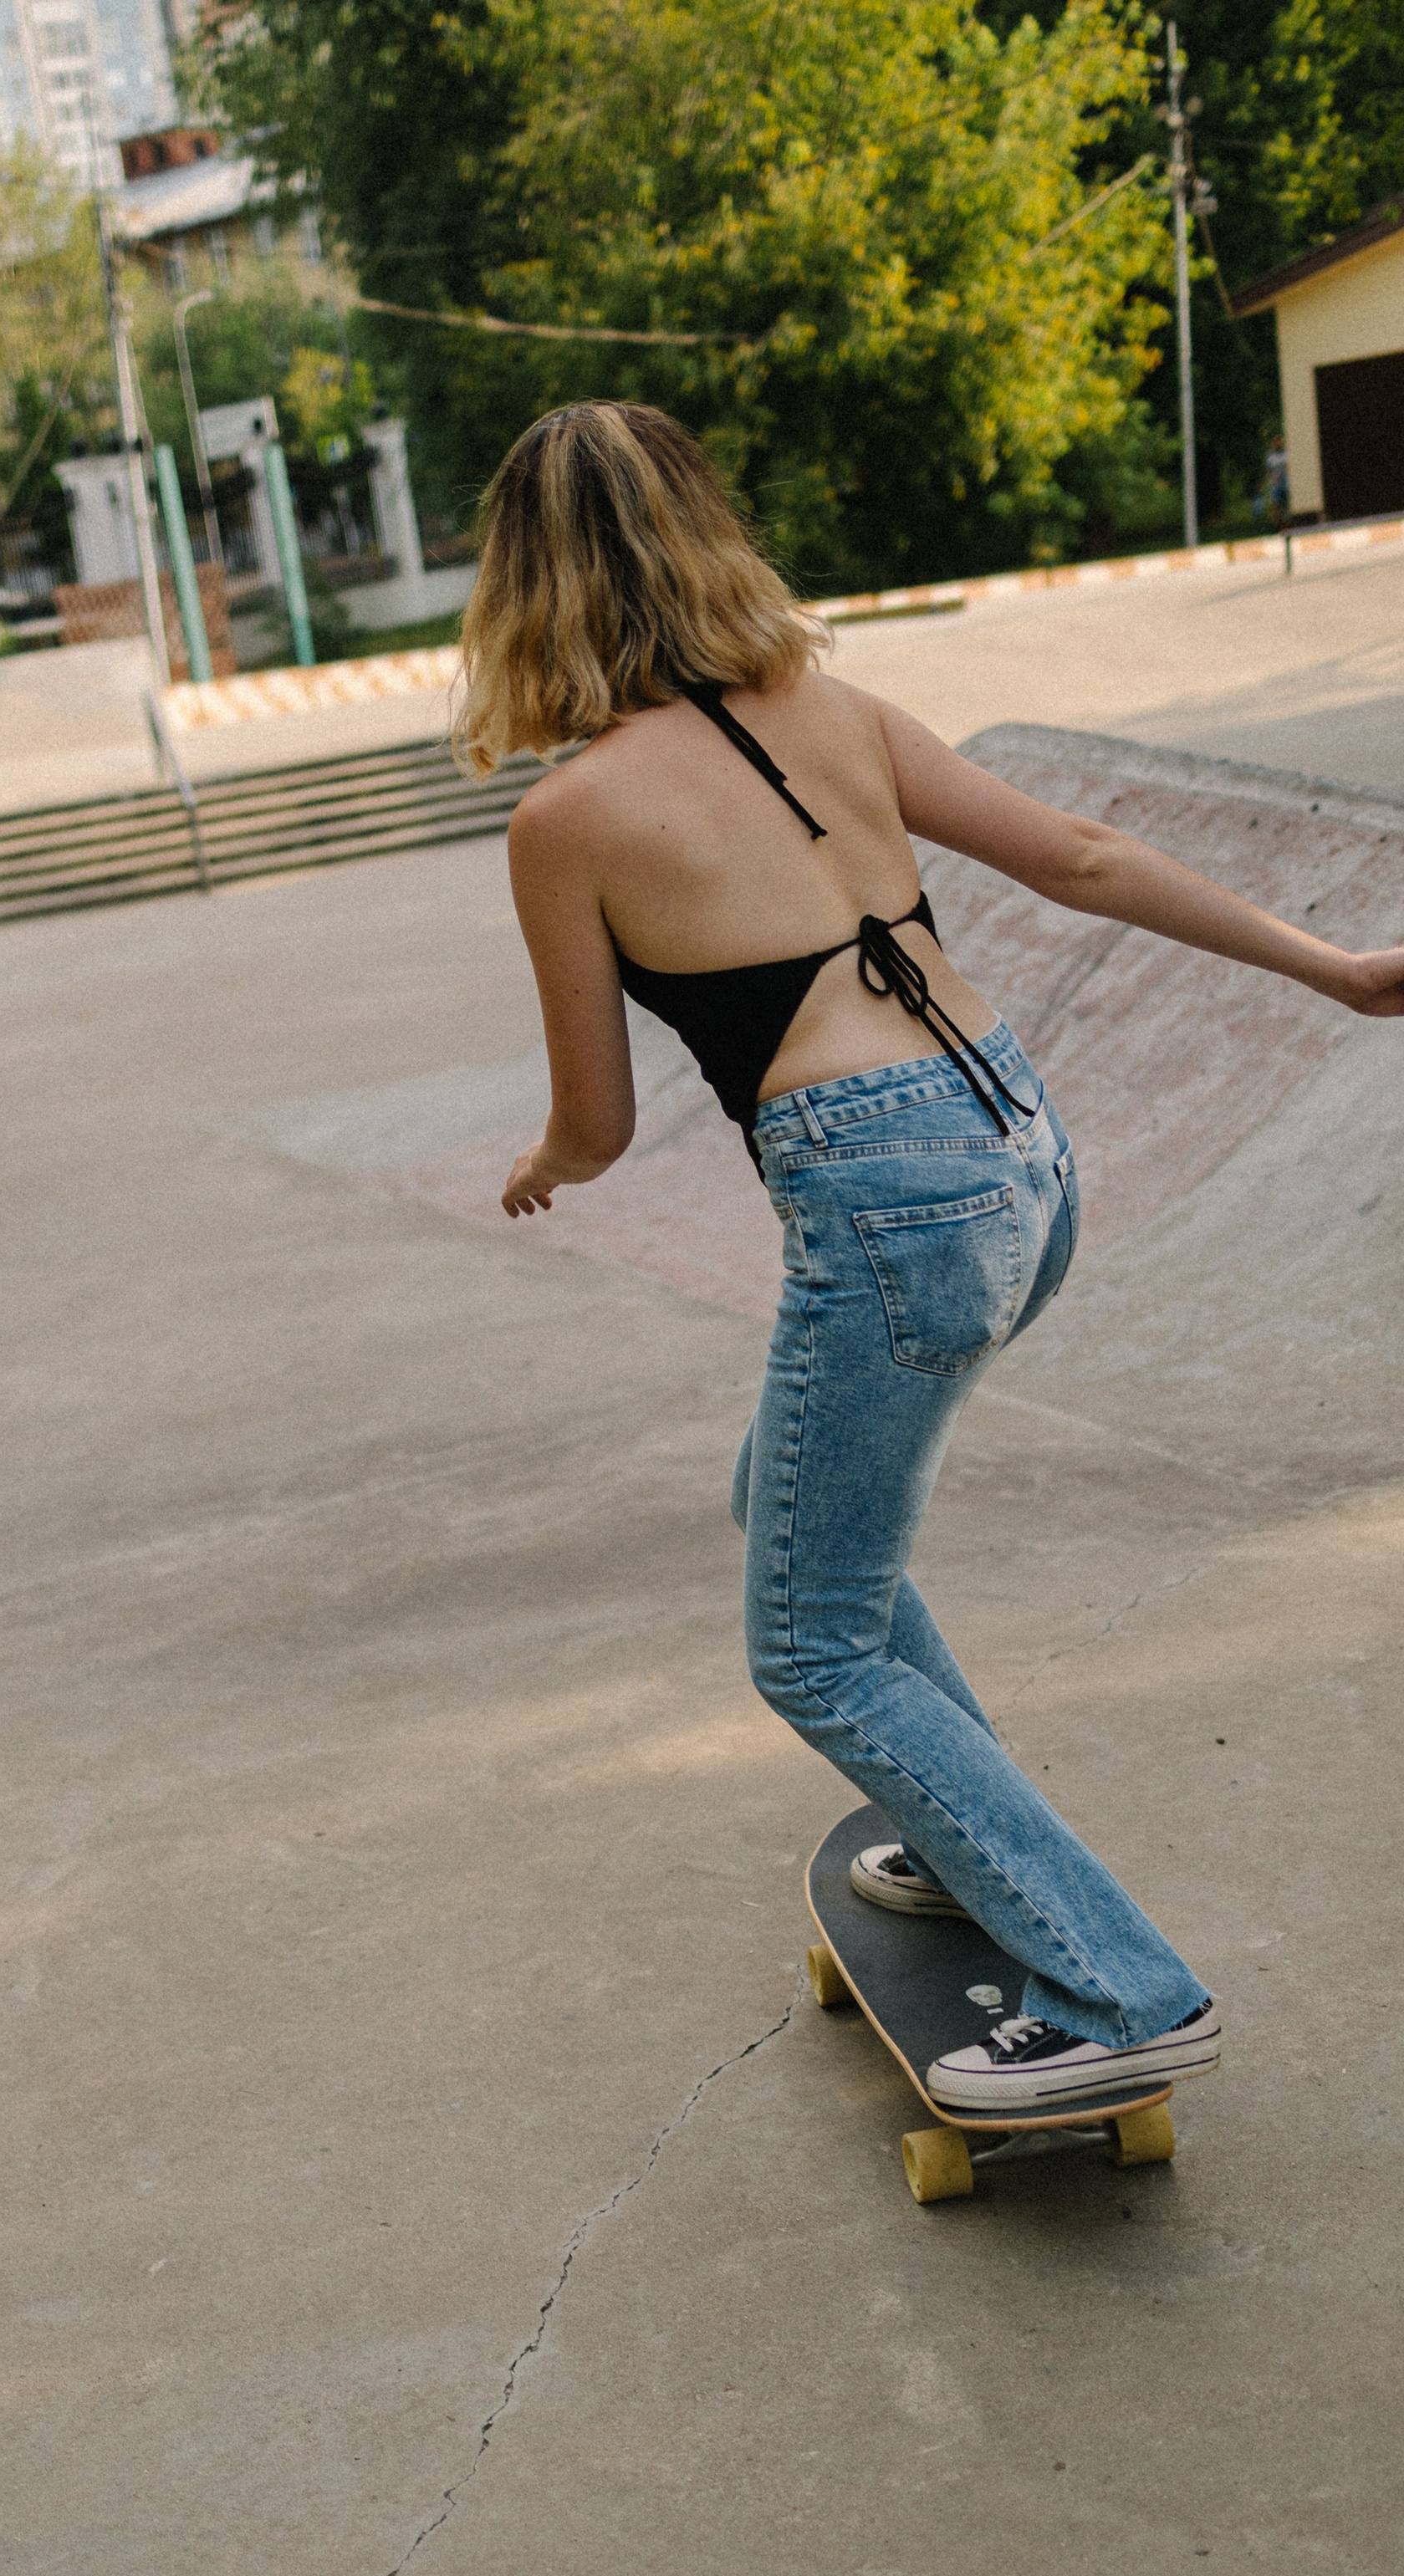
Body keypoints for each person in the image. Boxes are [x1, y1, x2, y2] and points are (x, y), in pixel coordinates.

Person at [467, 401, 1404, 2108]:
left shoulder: (567, 819)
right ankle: (956, 1829)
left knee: (804, 1643)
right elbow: (1086, 855)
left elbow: (595, 1124)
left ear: (514, 591)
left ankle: (1122, 1995)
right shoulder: (833, 712)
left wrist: (541, 1163)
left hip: (886, 1208)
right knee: (790, 1511)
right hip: (1023, 1158)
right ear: (703, 529)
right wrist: (1327, 966)